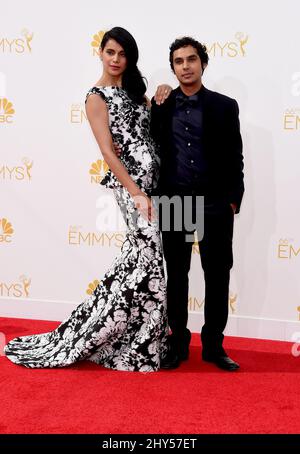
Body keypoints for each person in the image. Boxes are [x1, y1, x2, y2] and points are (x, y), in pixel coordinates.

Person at [4, 26, 170, 372]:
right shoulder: (96, 97)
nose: (116, 59)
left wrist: (160, 95)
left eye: (123, 54)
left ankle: (129, 335)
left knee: (140, 261)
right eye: (111, 52)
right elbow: (108, 152)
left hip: (157, 182)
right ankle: (134, 344)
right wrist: (136, 193)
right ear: (100, 52)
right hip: (133, 187)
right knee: (150, 259)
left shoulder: (136, 92)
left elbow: (150, 131)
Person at [151, 37, 244, 371]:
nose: (185, 66)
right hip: (174, 201)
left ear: (203, 63)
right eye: (178, 61)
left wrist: (233, 199)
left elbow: (236, 157)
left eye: (191, 59)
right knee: (177, 276)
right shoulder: (160, 105)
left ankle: (214, 347)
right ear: (173, 66)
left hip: (216, 203)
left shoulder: (224, 105)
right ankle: (178, 345)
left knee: (217, 277)